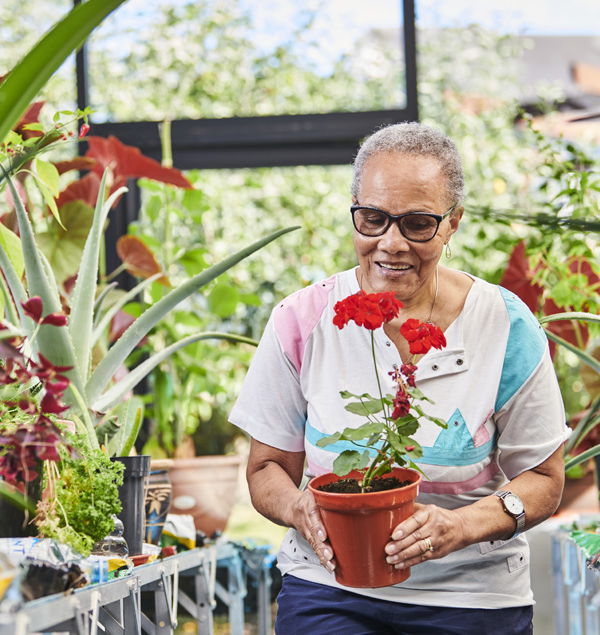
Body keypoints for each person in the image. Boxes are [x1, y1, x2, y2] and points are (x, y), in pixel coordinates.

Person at [229, 122, 569, 634]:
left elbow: (544, 480)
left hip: (472, 595)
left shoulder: (504, 325)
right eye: (373, 219)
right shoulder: (302, 319)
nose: (391, 244)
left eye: (417, 224)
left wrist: (460, 526)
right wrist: (301, 509)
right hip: (331, 587)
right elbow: (266, 469)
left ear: (452, 224)